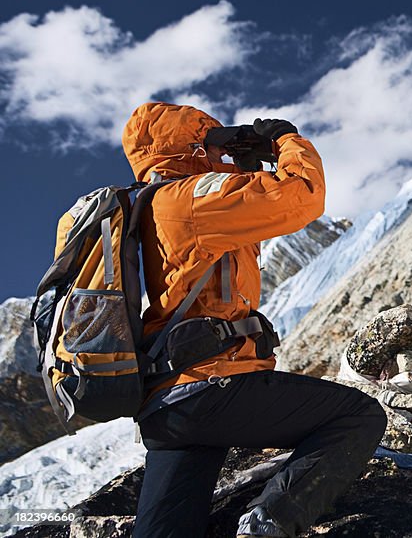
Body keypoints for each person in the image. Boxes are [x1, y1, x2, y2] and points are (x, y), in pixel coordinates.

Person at [122, 102, 386, 538]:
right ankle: (269, 524)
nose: (220, 150)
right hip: (211, 386)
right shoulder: (191, 199)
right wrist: (286, 140)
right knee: (357, 417)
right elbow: (302, 195)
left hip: (168, 404)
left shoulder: (151, 205)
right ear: (189, 144)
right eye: (210, 139)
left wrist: (244, 169)